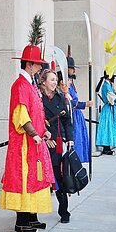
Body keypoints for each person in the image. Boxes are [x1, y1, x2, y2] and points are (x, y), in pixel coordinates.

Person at [0, 43, 55, 232]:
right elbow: (21, 116)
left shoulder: (30, 85)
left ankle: (32, 217)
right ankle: (22, 222)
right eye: (38, 64)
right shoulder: (20, 86)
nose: (40, 68)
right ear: (30, 65)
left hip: (34, 142)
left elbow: (35, 113)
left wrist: (43, 130)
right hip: (24, 144)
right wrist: (34, 134)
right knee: (24, 179)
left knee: (35, 178)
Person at [39, 69, 74, 223]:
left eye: (55, 80)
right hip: (42, 142)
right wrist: (44, 135)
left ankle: (64, 211)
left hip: (58, 142)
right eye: (52, 80)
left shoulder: (60, 98)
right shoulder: (38, 98)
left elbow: (66, 120)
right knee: (41, 176)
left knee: (60, 176)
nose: (55, 82)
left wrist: (70, 138)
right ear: (44, 81)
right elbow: (34, 120)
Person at [66, 49, 92, 162]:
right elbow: (68, 101)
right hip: (72, 114)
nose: (73, 70)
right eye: (71, 68)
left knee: (80, 139)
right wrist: (84, 104)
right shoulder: (64, 83)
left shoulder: (71, 82)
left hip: (77, 115)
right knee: (75, 139)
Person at [95, 72, 116, 155]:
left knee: (109, 127)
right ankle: (106, 147)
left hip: (110, 108)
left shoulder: (109, 85)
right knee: (107, 127)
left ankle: (107, 146)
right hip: (108, 108)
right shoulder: (106, 86)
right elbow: (113, 98)